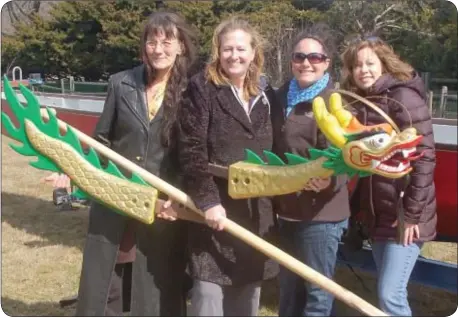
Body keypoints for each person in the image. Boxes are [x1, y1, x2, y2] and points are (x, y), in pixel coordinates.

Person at [75, 11, 197, 316]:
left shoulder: (193, 93)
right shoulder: (121, 83)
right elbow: (101, 140)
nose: (159, 49)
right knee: (109, 278)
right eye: (152, 41)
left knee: (156, 284)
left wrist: (176, 194)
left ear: (181, 46)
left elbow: (191, 152)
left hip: (160, 206)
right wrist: (78, 171)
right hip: (115, 195)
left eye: (167, 41)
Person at [177, 16, 278, 316]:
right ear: (217, 52)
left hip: (254, 215)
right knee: (209, 297)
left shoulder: (265, 95)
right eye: (227, 49)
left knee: (247, 300)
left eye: (240, 49)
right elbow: (191, 149)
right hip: (213, 214)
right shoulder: (202, 89)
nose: (234, 55)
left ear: (253, 52)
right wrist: (208, 201)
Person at [340, 36, 437, 316]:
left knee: (389, 295)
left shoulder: (403, 97)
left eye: (370, 63)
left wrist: (412, 214)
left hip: (402, 214)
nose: (363, 70)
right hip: (378, 214)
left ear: (384, 64)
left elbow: (425, 157)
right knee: (389, 291)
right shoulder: (361, 102)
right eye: (356, 65)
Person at [270, 24, 350, 317]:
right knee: (289, 290)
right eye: (299, 56)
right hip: (285, 209)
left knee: (317, 292)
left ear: (327, 62)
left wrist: (329, 180)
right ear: (291, 61)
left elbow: (347, 156)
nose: (306, 63)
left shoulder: (335, 102)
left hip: (321, 213)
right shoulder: (277, 99)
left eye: (315, 57)